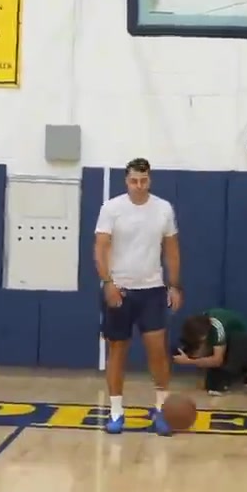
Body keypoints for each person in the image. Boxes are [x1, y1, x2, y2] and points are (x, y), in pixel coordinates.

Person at [94, 157, 182, 436]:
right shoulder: (112, 208)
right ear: (126, 181)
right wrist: (108, 282)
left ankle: (161, 409)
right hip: (119, 288)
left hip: (153, 290)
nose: (139, 186)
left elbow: (172, 249)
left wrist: (174, 285)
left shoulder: (163, 209)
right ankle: (116, 412)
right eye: (134, 181)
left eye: (144, 181)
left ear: (150, 180)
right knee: (118, 350)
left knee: (157, 351)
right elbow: (100, 247)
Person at [173, 308, 247, 395]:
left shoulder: (217, 327)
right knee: (212, 386)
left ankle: (246, 367)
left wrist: (189, 361)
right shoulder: (200, 326)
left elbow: (217, 361)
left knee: (221, 378)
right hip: (225, 342)